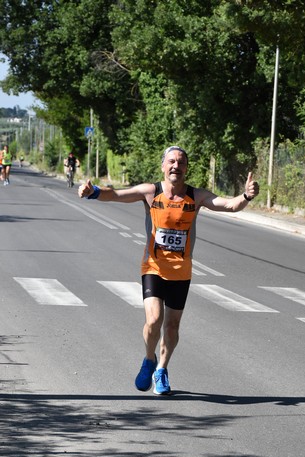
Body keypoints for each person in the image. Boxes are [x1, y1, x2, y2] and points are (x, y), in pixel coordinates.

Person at [78, 146, 259, 395]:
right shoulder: (151, 192)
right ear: (163, 166)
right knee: (153, 320)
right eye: (171, 161)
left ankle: (162, 369)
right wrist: (94, 192)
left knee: (172, 327)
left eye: (181, 162)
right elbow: (117, 194)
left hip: (181, 272)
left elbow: (229, 205)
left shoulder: (196, 196)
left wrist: (246, 197)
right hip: (153, 266)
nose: (176, 165)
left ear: (186, 168)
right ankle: (149, 358)